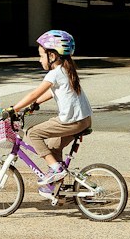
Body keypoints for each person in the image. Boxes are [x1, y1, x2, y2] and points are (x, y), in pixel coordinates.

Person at [8, 30, 93, 195]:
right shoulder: (66, 70)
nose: (40, 60)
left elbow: (35, 93)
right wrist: (35, 104)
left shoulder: (54, 73)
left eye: (41, 55)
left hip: (71, 121)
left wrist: (13, 109)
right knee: (53, 147)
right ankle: (56, 188)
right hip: (83, 120)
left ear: (52, 56)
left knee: (33, 133)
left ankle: (55, 169)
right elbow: (51, 93)